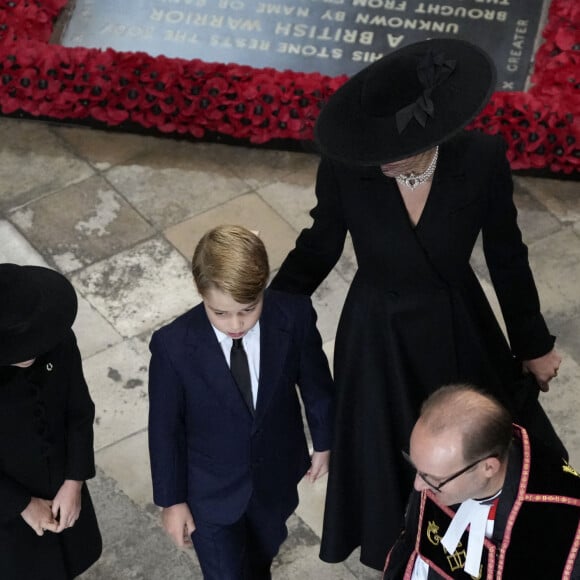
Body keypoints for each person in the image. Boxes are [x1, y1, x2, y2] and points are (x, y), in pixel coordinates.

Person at [269, 37, 565, 570]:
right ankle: (403, 551)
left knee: (474, 447)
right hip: (376, 336)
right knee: (387, 457)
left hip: (457, 326)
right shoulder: (346, 163)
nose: (378, 160)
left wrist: (534, 343)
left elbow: (507, 255)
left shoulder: (481, 158)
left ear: (431, 135)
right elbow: (319, 242)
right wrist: (268, 310)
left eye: (393, 149)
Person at [148, 224, 334, 579]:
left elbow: (315, 381)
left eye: (248, 309)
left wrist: (324, 441)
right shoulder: (172, 346)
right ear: (200, 291)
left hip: (274, 478)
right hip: (209, 494)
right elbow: (164, 429)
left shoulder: (293, 316)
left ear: (264, 285)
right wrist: (172, 501)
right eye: (220, 313)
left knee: (261, 555)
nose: (236, 323)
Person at [383, 384, 580, 579]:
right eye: (416, 467)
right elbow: (410, 546)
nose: (418, 486)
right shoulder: (441, 468)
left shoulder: (562, 522)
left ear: (488, 468)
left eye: (433, 478)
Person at [0, 263, 102, 579]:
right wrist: (22, 504)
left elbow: (79, 412)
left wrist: (74, 482)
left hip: (63, 492)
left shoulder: (58, 343)